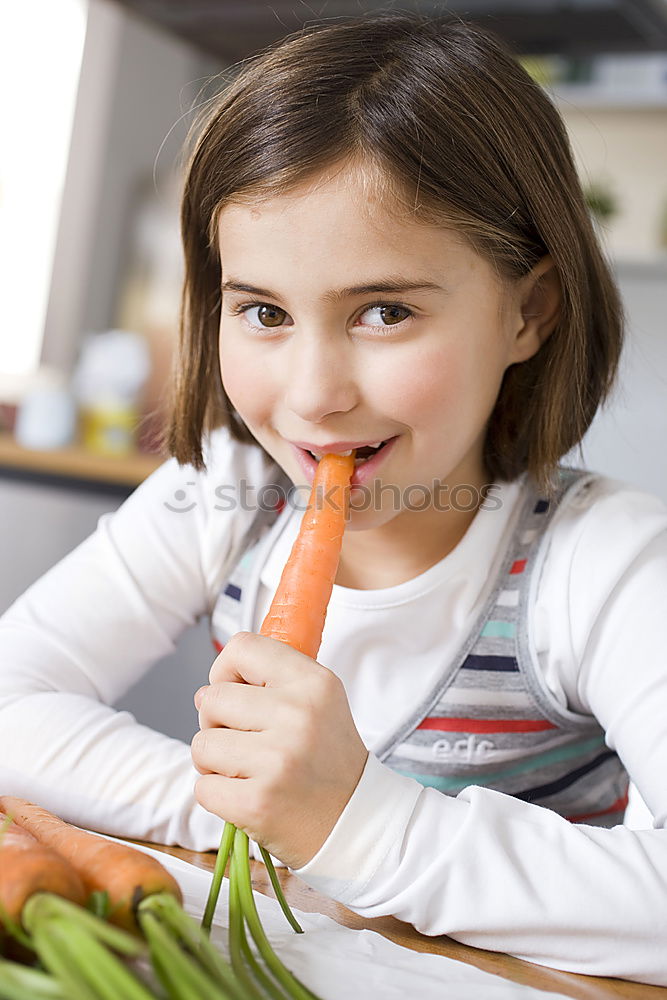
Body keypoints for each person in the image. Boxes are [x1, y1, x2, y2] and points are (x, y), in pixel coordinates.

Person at [1, 12, 666, 985]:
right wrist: (250, 809)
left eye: (384, 311)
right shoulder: (227, 493)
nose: (314, 394)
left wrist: (359, 821)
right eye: (263, 312)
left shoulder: (602, 560)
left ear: (529, 310)